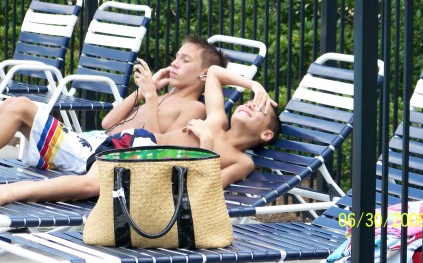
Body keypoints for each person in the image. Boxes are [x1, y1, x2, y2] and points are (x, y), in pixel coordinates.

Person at [0, 65, 280, 205]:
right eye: (249, 100)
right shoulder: (217, 119)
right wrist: (253, 84)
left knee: (91, 185)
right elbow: (215, 73)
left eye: (259, 109)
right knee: (92, 185)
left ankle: (10, 193)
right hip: (139, 145)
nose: (249, 104)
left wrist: (206, 145)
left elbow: (205, 191)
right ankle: (9, 193)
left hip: (150, 169)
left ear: (266, 134)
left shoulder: (243, 162)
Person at [0, 35, 227, 174]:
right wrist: (142, 93)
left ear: (205, 75)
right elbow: (108, 122)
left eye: (185, 61)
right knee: (12, 103)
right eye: (176, 57)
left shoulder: (194, 109)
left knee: (21, 107)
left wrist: (151, 97)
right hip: (90, 141)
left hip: (98, 157)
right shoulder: (164, 96)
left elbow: (155, 148)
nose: (175, 64)